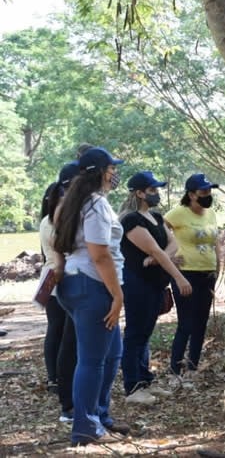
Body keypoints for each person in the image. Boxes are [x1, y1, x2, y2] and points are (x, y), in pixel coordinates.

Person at [53, 146, 131, 445]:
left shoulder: (76, 202)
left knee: (112, 354)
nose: (114, 173)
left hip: (78, 283)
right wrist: (117, 295)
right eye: (111, 168)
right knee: (92, 360)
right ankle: (85, 426)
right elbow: (100, 255)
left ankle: (99, 415)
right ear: (100, 171)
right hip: (92, 285)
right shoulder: (95, 204)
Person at [118, 171, 191, 405]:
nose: (156, 194)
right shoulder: (131, 221)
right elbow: (155, 249)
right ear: (139, 193)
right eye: (152, 190)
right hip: (137, 282)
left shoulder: (156, 217)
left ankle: (146, 379)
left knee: (146, 332)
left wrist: (158, 259)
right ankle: (133, 385)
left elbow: (172, 244)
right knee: (135, 333)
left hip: (155, 282)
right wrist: (179, 277)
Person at [164, 173, 222, 386]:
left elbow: (216, 241)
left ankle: (192, 368)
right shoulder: (179, 213)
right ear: (191, 194)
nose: (208, 195)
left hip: (208, 272)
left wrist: (219, 264)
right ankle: (174, 370)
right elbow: (160, 227)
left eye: (209, 191)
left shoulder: (211, 214)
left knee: (200, 322)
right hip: (185, 273)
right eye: (203, 192)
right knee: (186, 323)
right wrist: (168, 254)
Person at [39, 161, 80, 422]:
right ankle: (57, 381)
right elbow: (58, 255)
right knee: (59, 332)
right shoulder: (53, 218)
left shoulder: (68, 213)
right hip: (56, 282)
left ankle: (63, 383)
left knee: (65, 335)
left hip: (63, 280)